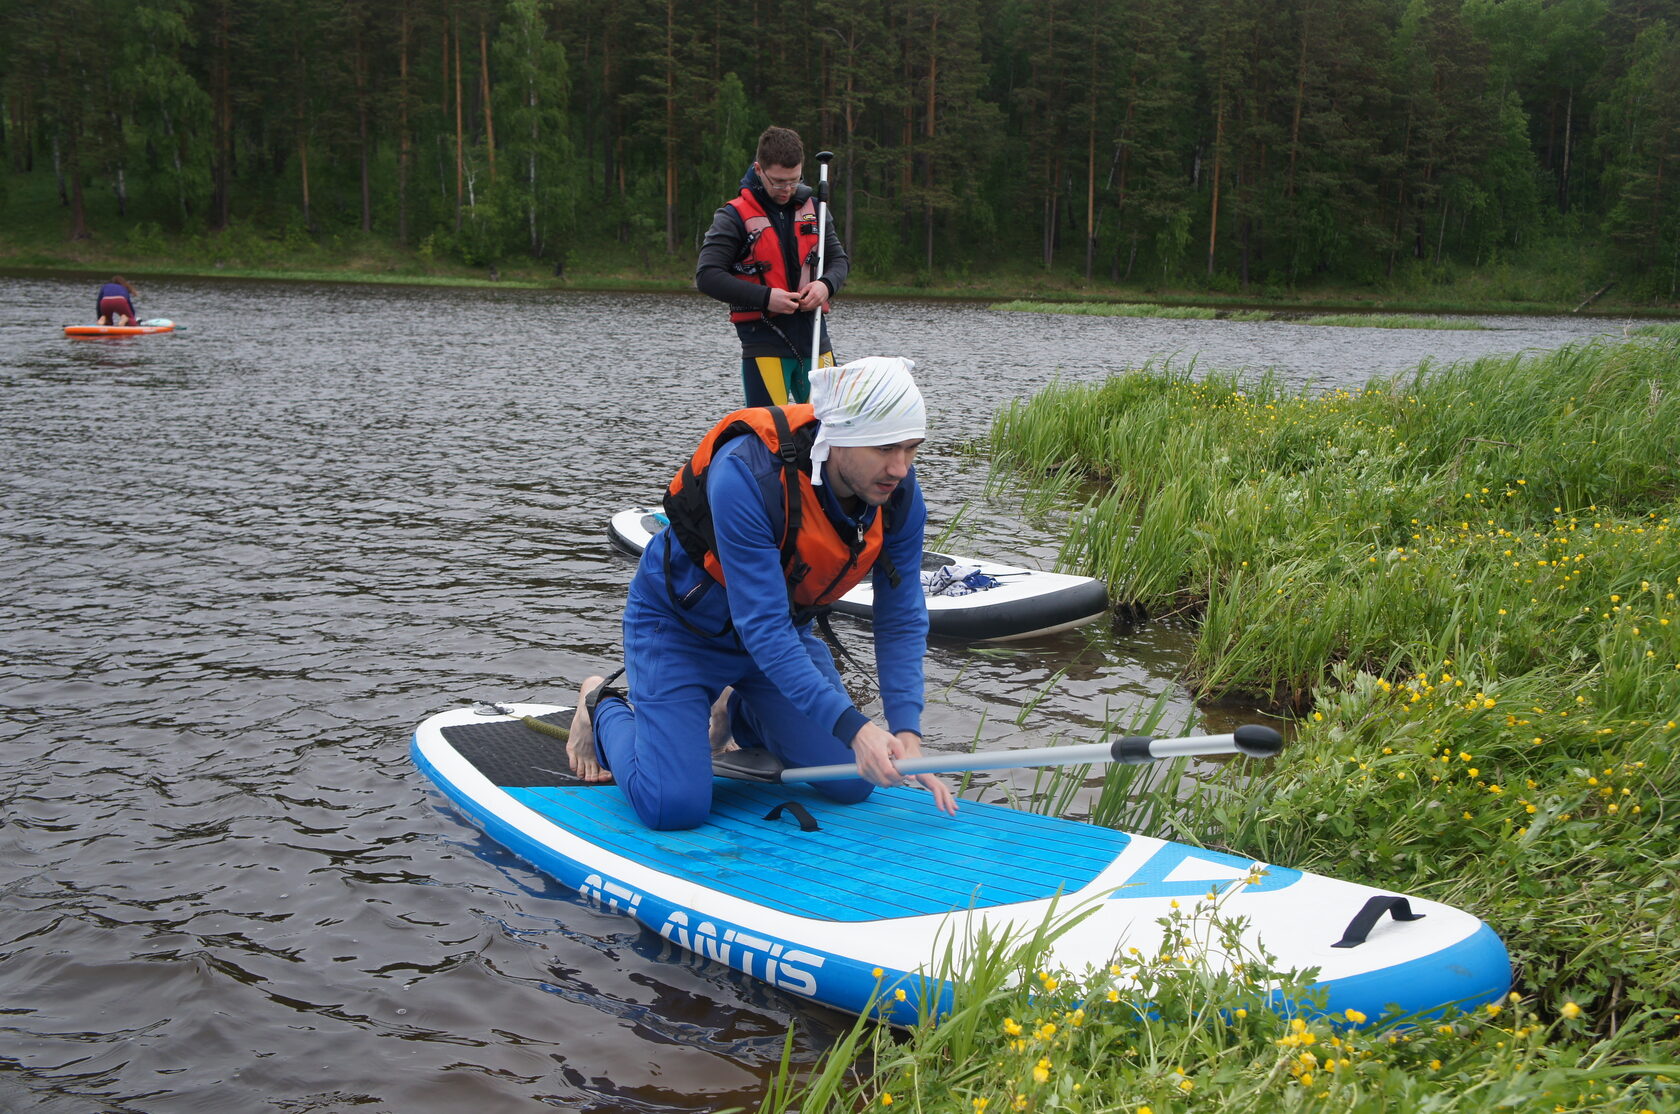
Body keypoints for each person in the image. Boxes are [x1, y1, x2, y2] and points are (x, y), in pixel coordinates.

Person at [567, 357, 956, 830]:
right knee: (674, 808)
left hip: (777, 642)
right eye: (884, 448)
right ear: (836, 436)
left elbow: (900, 616)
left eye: (912, 448)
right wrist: (855, 728)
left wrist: (906, 732)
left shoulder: (897, 493)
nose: (899, 467)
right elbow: (763, 627)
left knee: (854, 782)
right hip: (681, 630)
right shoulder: (747, 474)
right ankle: (601, 705)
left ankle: (738, 707)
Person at [696, 126, 849, 408]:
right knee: (768, 436)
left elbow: (839, 262)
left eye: (794, 180)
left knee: (834, 433)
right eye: (778, 182)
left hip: (815, 339)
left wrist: (825, 286)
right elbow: (707, 276)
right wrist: (767, 298)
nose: (787, 190)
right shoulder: (733, 216)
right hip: (764, 342)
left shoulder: (816, 210)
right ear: (759, 169)